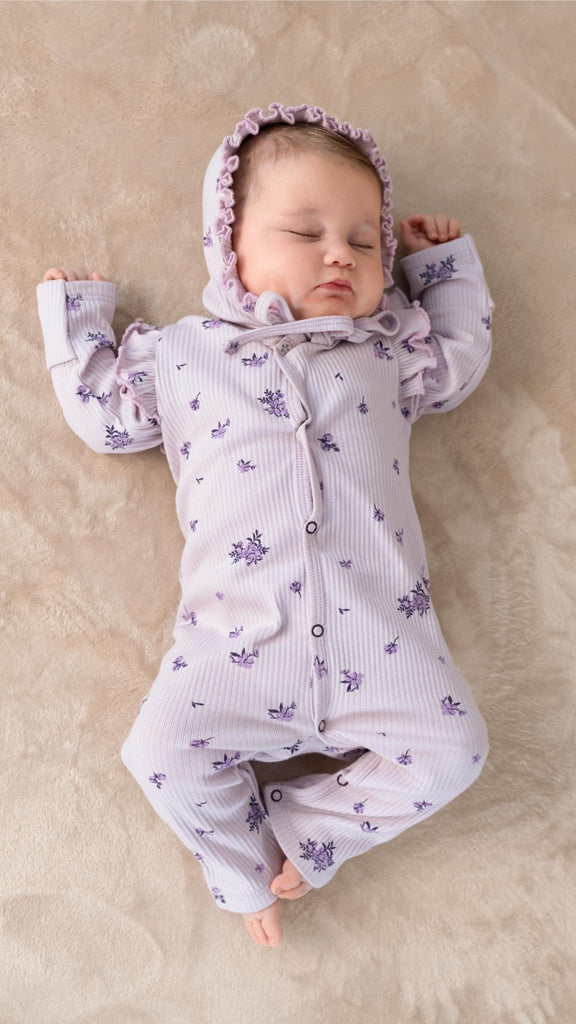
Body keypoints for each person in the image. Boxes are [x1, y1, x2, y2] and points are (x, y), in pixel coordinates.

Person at [37, 102, 494, 950]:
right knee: (159, 753)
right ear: (230, 245)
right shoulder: (183, 355)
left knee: (457, 750)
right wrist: (78, 319)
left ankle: (308, 830)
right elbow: (106, 418)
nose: (340, 254)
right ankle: (246, 872)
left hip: (383, 648)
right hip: (236, 648)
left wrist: (441, 272)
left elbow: (459, 364)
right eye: (304, 232)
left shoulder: (385, 348)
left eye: (364, 242)